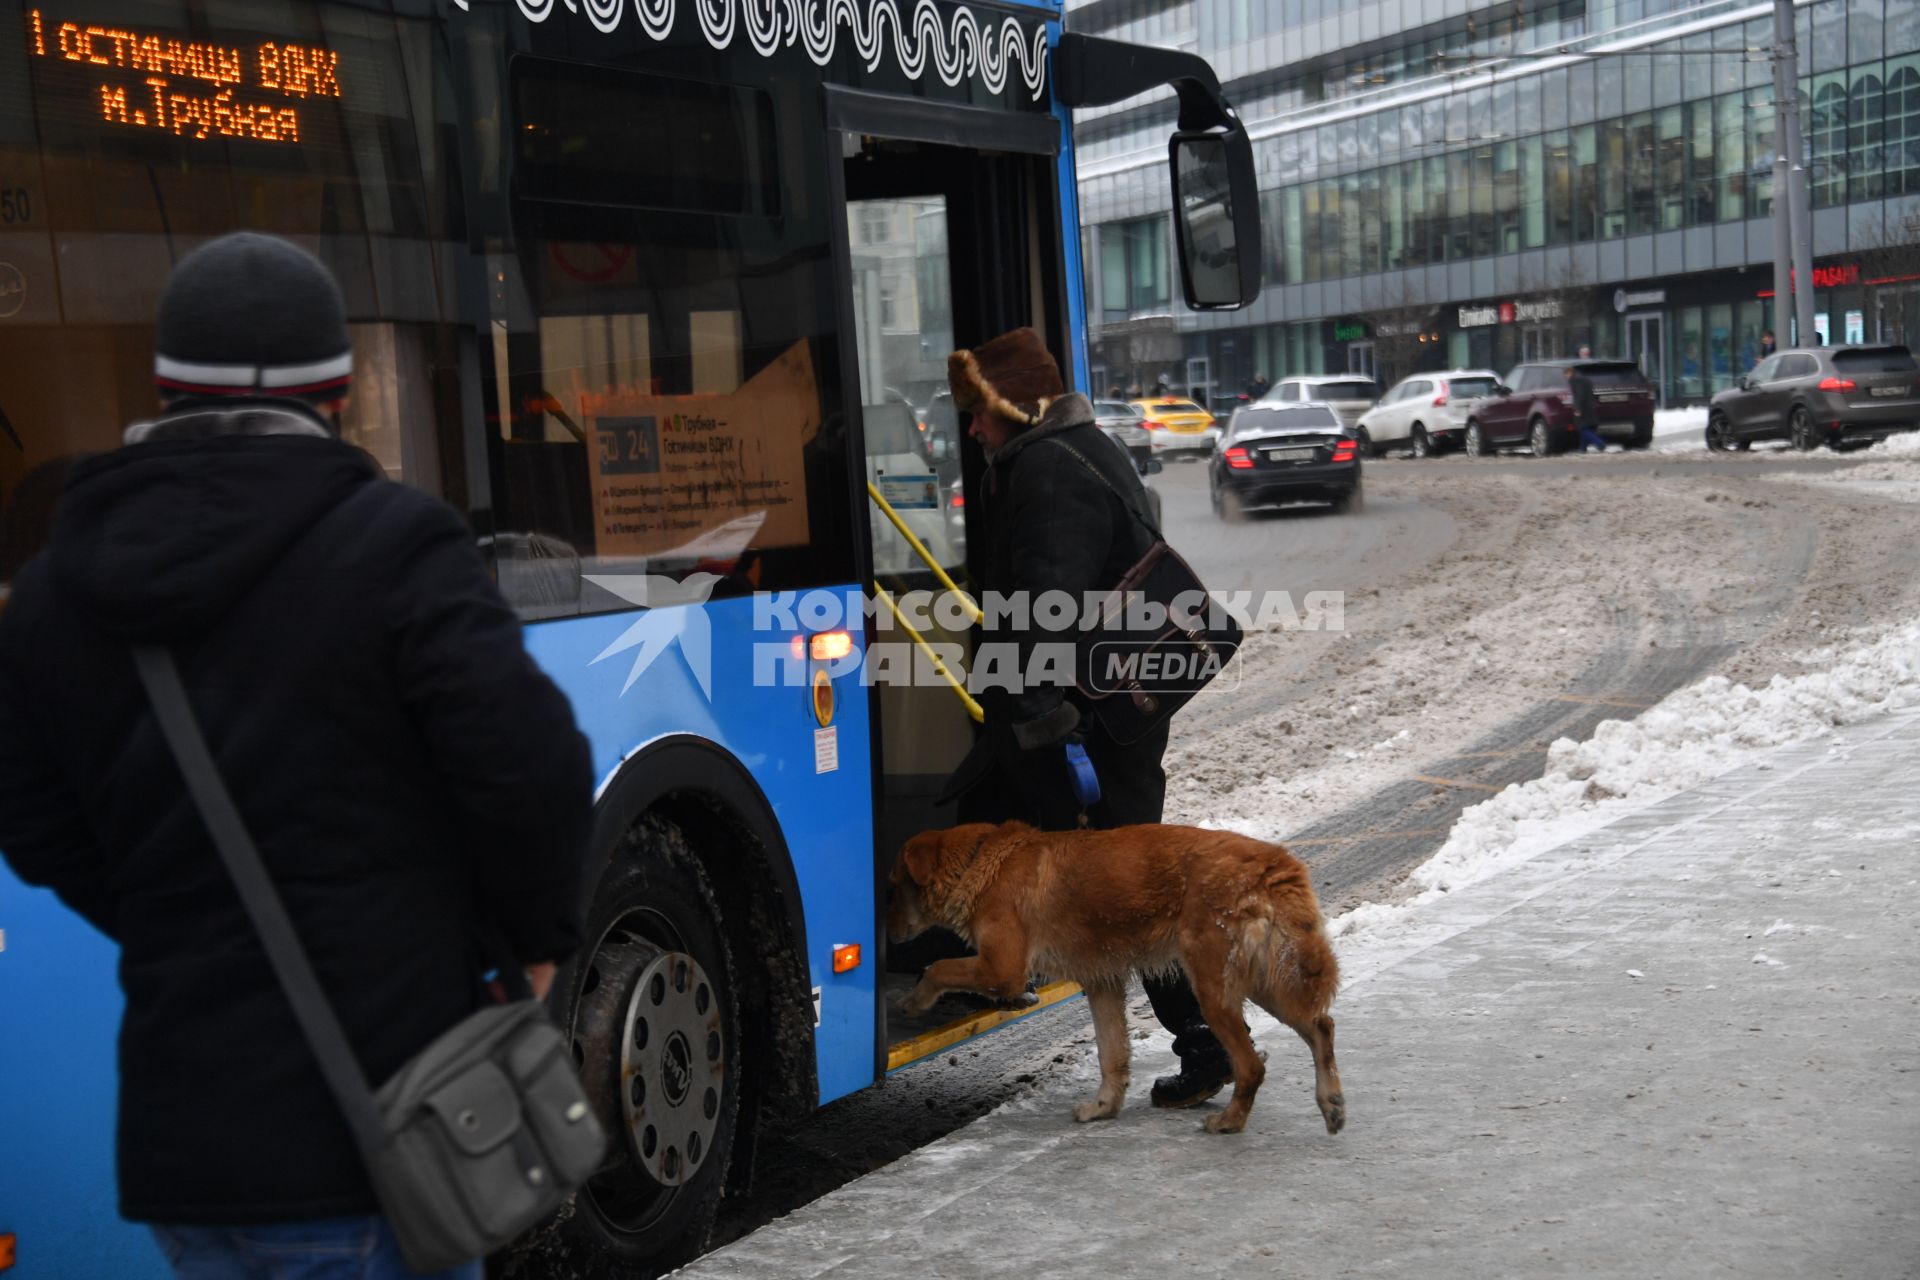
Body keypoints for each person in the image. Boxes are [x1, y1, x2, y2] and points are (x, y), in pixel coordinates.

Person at [0, 233, 596, 1279]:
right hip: (381, 1123)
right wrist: (533, 943)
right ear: (336, 384)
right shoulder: (395, 545)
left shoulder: (50, 590)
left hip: (188, 1148)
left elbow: (31, 817)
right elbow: (531, 765)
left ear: (166, 383)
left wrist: (172, 906)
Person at [942, 326, 1233, 1108]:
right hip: (1099, 718)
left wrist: (1046, 731)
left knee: (1127, 894)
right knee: (974, 840)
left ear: (1015, 406)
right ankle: (977, 972)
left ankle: (1207, 1038)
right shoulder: (1076, 448)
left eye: (980, 412)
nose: (972, 427)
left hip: (1083, 731)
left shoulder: (1045, 468)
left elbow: (1046, 610)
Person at [1567, 364, 1605, 453]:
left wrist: (1577, 409)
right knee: (1586, 427)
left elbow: (1579, 395)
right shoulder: (1584, 378)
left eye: (1566, 375)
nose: (1566, 377)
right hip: (1590, 406)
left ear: (1570, 373)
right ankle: (1582, 448)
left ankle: (1599, 443)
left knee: (1582, 428)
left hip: (1583, 408)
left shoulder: (1575, 380)